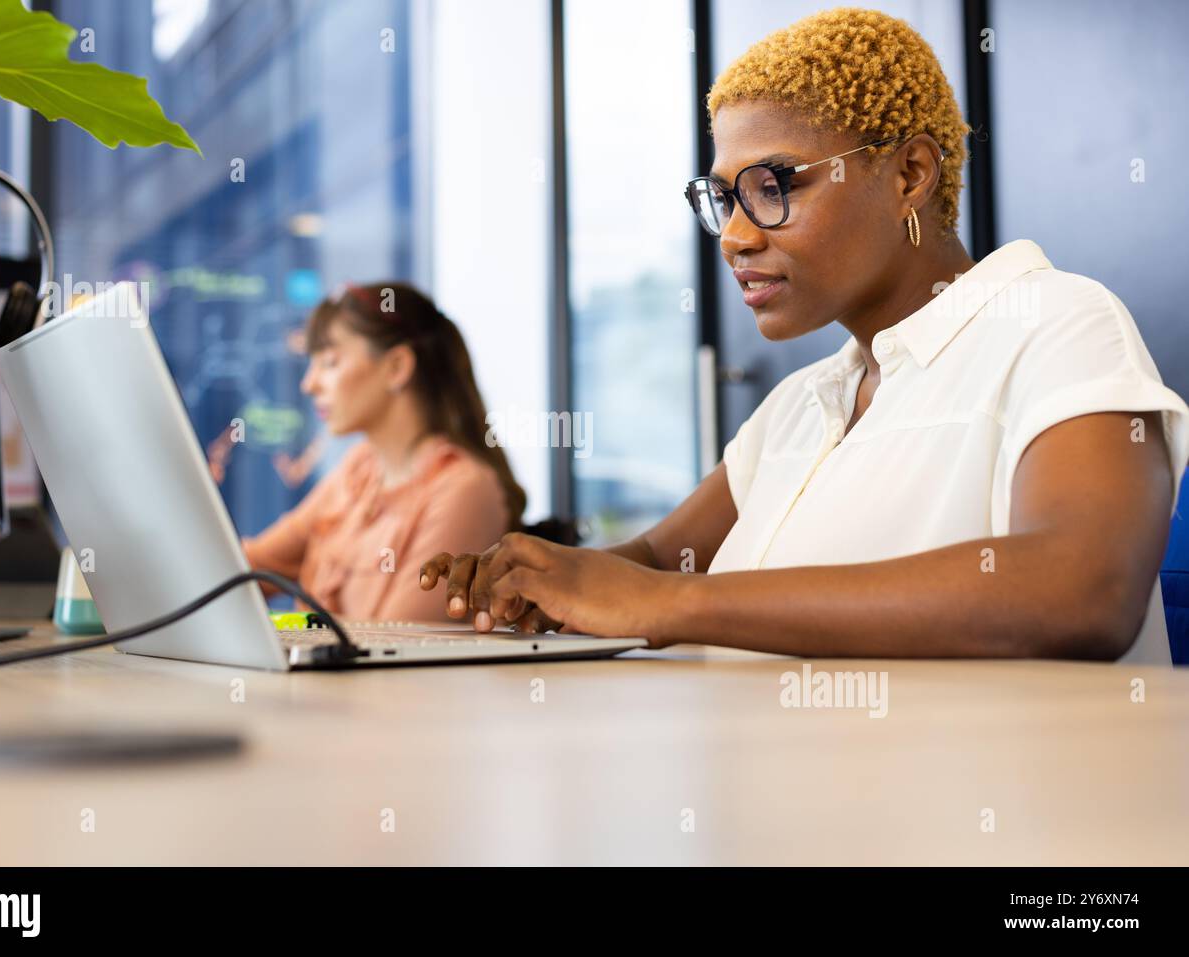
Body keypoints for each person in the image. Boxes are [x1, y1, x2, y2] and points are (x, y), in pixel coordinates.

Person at [419, 7, 1189, 662]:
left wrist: (671, 605)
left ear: (910, 173)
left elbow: (1083, 588)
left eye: (774, 186)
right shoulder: (804, 401)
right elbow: (659, 559)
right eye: (725, 198)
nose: (734, 238)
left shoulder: (1057, 322)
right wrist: (540, 580)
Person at [244, 282, 525, 621]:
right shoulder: (360, 469)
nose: (310, 383)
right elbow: (250, 566)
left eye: (330, 362)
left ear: (396, 368)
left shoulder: (464, 489)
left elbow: (397, 646)